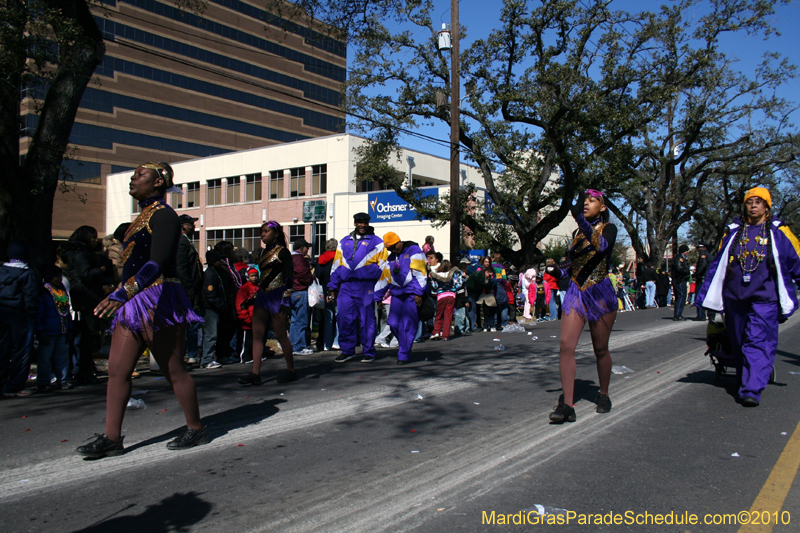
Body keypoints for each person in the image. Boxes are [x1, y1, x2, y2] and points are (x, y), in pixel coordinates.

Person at [76, 162, 206, 458]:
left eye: (140, 175)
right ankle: (112, 438)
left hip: (160, 297)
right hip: (132, 301)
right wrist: (117, 282)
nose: (133, 179)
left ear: (159, 182)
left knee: (173, 369)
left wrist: (123, 292)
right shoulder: (138, 220)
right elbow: (132, 266)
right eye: (133, 176)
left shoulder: (164, 215)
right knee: (117, 370)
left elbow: (156, 263)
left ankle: (196, 428)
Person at [696, 187, 800, 407]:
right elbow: (719, 265)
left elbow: (795, 260)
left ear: (767, 207)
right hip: (734, 299)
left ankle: (751, 389)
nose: (753, 205)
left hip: (765, 299)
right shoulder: (734, 232)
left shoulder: (779, 232)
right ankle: (747, 379)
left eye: (758, 202)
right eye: (749, 202)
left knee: (758, 341)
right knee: (740, 341)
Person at [549, 189, 618, 423]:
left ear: (603, 207)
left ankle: (604, 394)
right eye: (584, 201)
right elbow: (575, 263)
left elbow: (600, 247)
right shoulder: (578, 232)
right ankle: (567, 405)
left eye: (591, 201)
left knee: (600, 349)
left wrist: (578, 217)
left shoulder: (609, 229)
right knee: (566, 345)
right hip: (576, 293)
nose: (586, 204)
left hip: (600, 292)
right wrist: (559, 270)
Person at [238, 221, 296, 385]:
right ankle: (255, 373)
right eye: (261, 232)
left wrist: (286, 299)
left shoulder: (283, 252)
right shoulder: (264, 252)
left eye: (266, 231)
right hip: (263, 296)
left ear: (275, 233)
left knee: (280, 335)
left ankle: (291, 369)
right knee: (257, 335)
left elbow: (290, 277)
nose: (262, 234)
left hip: (278, 297)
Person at [327, 213, 385, 364]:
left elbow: (384, 267)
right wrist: (332, 286)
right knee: (344, 318)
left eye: (365, 222)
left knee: (366, 320)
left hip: (366, 286)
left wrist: (380, 290)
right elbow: (336, 266)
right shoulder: (343, 241)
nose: (362, 225)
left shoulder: (377, 242)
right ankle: (347, 350)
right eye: (360, 222)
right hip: (346, 286)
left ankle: (368, 351)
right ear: (354, 223)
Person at [61, 225, 107, 384]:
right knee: (88, 337)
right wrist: (101, 269)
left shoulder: (78, 253)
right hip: (88, 298)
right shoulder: (81, 254)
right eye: (93, 236)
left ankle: (85, 370)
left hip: (85, 297)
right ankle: (84, 372)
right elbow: (86, 275)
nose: (96, 240)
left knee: (86, 337)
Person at [374, 232, 427, 364]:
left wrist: (417, 293)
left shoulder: (414, 250)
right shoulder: (391, 258)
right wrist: (378, 297)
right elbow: (385, 278)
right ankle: (404, 347)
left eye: (393, 247)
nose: (392, 250)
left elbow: (420, 272)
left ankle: (403, 353)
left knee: (408, 325)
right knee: (393, 324)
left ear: (399, 242)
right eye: (389, 249)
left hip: (410, 296)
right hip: (397, 296)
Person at [0, 242, 39, 397]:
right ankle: (14, 385)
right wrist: (31, 313)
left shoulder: (1, 271)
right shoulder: (27, 273)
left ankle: (1, 383)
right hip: (20, 315)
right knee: (21, 350)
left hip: (2, 313)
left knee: (2, 349)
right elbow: (30, 297)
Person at [35, 265, 73, 392]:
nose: (59, 279)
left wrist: (69, 328)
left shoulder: (61, 290)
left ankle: (63, 380)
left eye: (60, 276)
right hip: (48, 330)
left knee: (62, 357)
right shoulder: (44, 292)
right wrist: (40, 331)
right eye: (56, 276)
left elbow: (66, 310)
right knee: (45, 358)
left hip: (61, 329)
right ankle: (43, 382)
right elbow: (39, 314)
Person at [201, 250, 237, 368]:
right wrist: (221, 305)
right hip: (211, 309)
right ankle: (206, 359)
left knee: (221, 334)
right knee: (211, 335)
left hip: (221, 307)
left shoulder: (220, 272)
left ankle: (221, 356)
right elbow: (210, 294)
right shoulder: (210, 274)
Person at [176, 214, 204, 365]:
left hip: (192, 290)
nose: (193, 226)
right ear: (183, 226)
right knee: (188, 324)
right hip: (186, 291)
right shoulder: (180, 242)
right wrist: (189, 290)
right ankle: (187, 354)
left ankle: (192, 354)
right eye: (190, 224)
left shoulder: (186, 241)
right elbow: (182, 268)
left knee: (192, 325)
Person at [289, 238, 315, 356]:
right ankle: (299, 346)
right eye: (307, 248)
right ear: (302, 248)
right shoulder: (299, 259)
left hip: (292, 291)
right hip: (300, 290)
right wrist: (310, 279)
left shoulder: (289, 258)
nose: (307, 251)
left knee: (295, 320)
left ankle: (294, 344)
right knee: (301, 320)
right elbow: (303, 274)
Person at [314, 239, 339, 352]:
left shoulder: (321, 258)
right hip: (338, 290)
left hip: (324, 291)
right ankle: (337, 342)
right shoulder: (339, 258)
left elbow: (317, 275)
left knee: (328, 318)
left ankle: (326, 344)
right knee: (339, 317)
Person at [429, 260, 463, 341]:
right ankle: (446, 335)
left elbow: (434, 286)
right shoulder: (454, 274)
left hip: (441, 296)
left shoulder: (437, 275)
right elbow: (458, 284)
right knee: (448, 315)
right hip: (451, 295)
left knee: (439, 315)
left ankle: (436, 332)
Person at [234, 268, 260, 363]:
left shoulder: (258, 287)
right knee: (247, 340)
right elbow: (240, 305)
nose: (254, 278)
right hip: (248, 318)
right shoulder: (244, 289)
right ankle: (245, 356)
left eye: (255, 276)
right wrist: (245, 318)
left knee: (256, 338)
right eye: (252, 276)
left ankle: (254, 355)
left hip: (257, 318)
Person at [672, 244, 690, 320]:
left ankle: (678, 313)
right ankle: (678, 314)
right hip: (679, 280)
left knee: (680, 296)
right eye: (687, 251)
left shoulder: (682, 258)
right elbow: (679, 268)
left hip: (680, 279)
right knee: (681, 296)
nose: (688, 252)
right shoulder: (679, 258)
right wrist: (687, 271)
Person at [694, 243, 710, 321]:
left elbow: (703, 265)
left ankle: (701, 315)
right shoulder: (710, 255)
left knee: (700, 297)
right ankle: (711, 316)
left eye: (698, 248)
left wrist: (697, 273)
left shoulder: (703, 255)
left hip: (703, 278)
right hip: (709, 278)